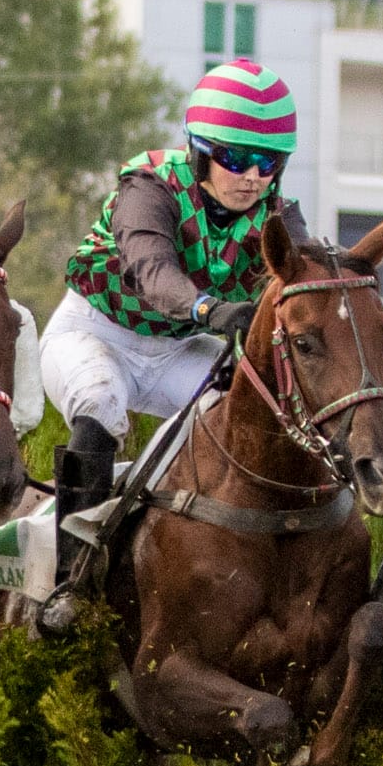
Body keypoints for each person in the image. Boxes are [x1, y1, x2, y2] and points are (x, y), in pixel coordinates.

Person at [37, 58, 309, 629]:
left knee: (254, 414)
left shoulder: (278, 215)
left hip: (177, 352)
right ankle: (71, 587)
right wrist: (211, 309)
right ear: (198, 150)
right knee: (101, 405)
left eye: (268, 163)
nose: (252, 177)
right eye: (235, 159)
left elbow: (303, 278)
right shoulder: (151, 186)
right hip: (94, 332)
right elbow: (150, 267)